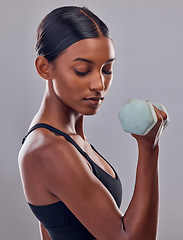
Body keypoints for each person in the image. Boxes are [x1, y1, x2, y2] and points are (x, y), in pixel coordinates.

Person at [18, 6, 167, 240]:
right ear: (44, 68)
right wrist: (149, 147)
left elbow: (51, 232)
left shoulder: (63, 138)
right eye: (82, 70)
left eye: (107, 70)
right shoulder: (51, 150)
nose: (99, 84)